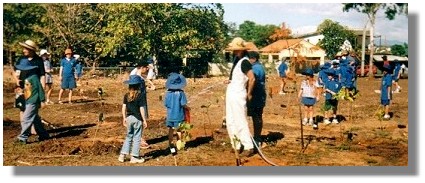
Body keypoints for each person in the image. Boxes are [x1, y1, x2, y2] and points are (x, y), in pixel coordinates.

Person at [224, 37, 256, 156]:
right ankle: (236, 144)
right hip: (231, 92)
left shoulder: (245, 62)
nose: (233, 51)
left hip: (238, 93)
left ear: (240, 50)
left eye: (235, 49)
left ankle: (248, 146)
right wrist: (230, 81)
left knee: (240, 120)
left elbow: (252, 78)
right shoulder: (237, 60)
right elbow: (237, 77)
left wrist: (249, 93)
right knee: (230, 120)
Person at [13, 40, 46, 136]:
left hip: (33, 88)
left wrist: (42, 88)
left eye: (25, 49)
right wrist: (16, 80)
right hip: (21, 88)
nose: (23, 50)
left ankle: (30, 130)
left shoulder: (38, 60)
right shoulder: (21, 59)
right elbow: (15, 72)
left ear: (31, 50)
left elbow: (42, 75)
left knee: (31, 108)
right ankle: (25, 129)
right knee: (22, 107)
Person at [15, 63, 50, 144]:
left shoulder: (34, 77)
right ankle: (44, 135)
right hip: (28, 100)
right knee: (35, 119)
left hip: (33, 100)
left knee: (26, 119)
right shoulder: (25, 78)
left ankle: (22, 138)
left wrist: (42, 100)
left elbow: (40, 89)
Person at [118, 75, 147, 163]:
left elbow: (123, 108)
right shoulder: (140, 95)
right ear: (139, 85)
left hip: (129, 118)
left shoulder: (126, 95)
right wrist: (144, 120)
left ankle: (122, 155)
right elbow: (142, 108)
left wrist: (124, 118)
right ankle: (134, 157)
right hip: (137, 118)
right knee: (137, 137)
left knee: (128, 136)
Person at [164, 72, 189, 154]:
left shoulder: (167, 93)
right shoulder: (181, 93)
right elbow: (183, 104)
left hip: (170, 116)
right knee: (179, 130)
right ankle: (179, 145)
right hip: (179, 116)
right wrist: (188, 108)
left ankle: (171, 145)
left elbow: (166, 104)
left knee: (171, 130)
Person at [246, 51, 266, 150]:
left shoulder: (255, 68)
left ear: (253, 59)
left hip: (256, 96)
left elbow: (251, 80)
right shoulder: (258, 67)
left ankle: (257, 138)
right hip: (259, 95)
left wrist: (248, 93)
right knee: (256, 116)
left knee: (257, 117)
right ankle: (256, 137)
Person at [129, 60, 150, 148]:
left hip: (141, 101)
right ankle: (139, 140)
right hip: (139, 102)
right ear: (142, 67)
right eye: (146, 68)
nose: (147, 69)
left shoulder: (139, 77)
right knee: (140, 120)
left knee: (140, 120)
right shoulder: (136, 78)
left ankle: (138, 138)